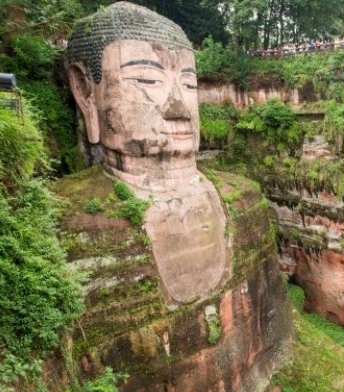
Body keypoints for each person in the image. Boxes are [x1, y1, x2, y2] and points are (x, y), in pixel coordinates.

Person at [65, 2, 230, 304]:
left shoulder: (240, 198)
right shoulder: (68, 229)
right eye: (147, 80)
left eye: (189, 84)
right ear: (86, 92)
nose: (177, 107)